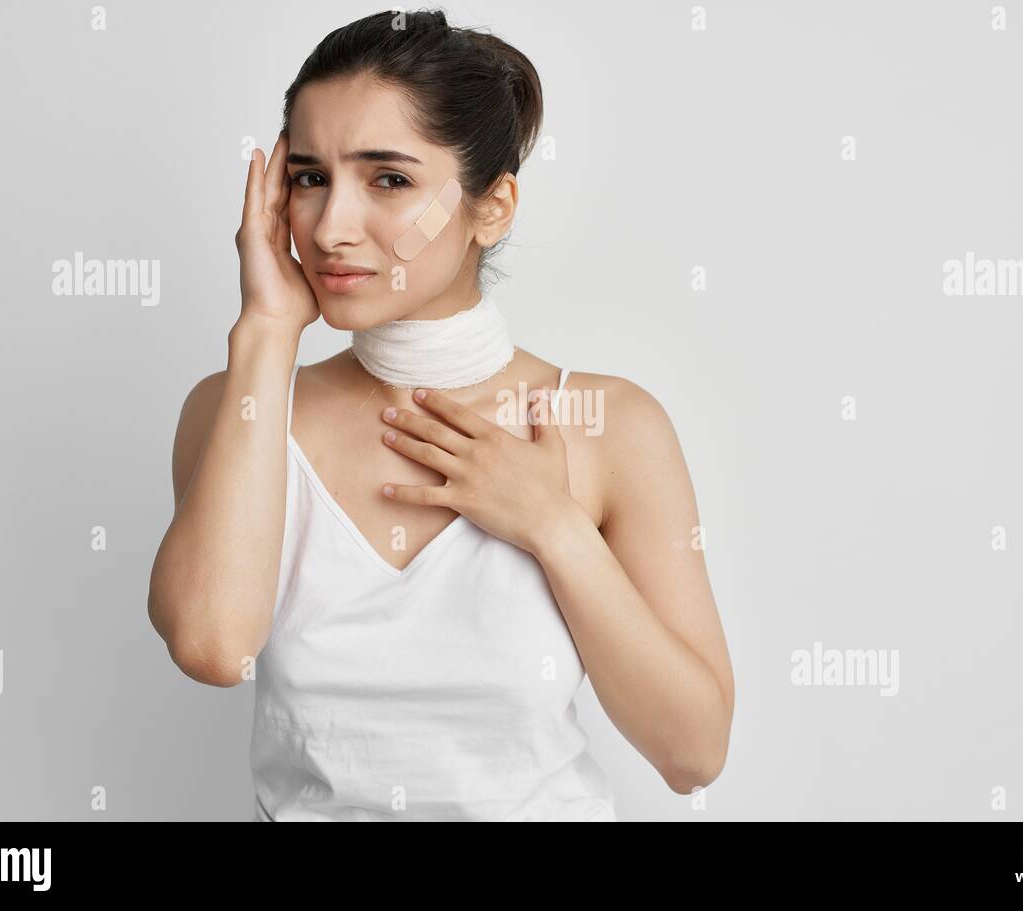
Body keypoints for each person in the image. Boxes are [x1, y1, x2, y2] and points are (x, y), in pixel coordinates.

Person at [147, 9, 733, 821]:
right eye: (311, 177)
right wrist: (268, 330)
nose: (330, 226)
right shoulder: (237, 406)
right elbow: (212, 646)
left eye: (389, 179)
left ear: (491, 209)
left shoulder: (609, 426)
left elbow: (693, 752)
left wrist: (551, 525)